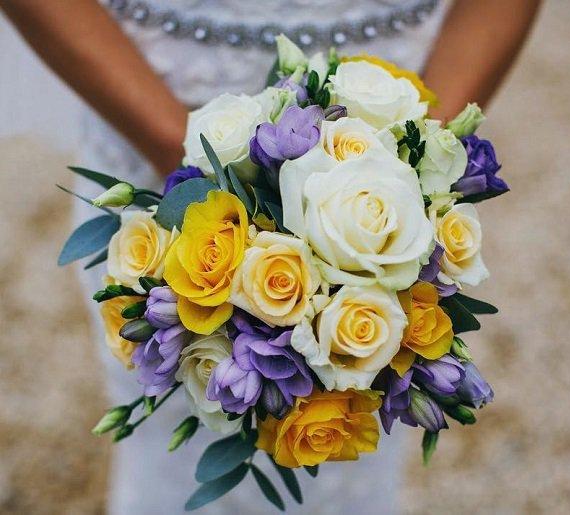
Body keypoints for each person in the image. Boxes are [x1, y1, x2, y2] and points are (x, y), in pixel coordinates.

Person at [0, 1, 541, 514]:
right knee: (171, 424)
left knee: (356, 432)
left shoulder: (397, 182)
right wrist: (186, 154)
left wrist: (405, 169)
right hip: (141, 118)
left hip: (393, 125)